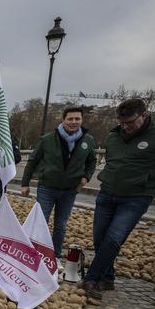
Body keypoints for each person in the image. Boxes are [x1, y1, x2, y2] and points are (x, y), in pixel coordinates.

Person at [80, 98, 155, 300]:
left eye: (130, 122)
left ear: (144, 115)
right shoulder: (113, 137)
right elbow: (111, 161)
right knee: (100, 238)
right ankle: (108, 277)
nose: (125, 127)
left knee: (114, 238)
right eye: (122, 122)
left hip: (136, 198)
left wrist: (149, 184)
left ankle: (91, 279)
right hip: (107, 193)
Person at [20, 107, 97, 257]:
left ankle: (54, 255)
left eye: (77, 119)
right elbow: (32, 161)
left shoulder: (88, 140)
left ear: (81, 120)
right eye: (70, 119)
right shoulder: (47, 139)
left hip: (70, 190)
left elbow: (92, 161)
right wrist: (25, 183)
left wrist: (86, 177)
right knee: (40, 221)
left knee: (60, 225)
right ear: (63, 120)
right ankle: (32, 252)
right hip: (47, 187)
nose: (73, 122)